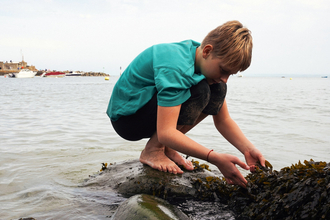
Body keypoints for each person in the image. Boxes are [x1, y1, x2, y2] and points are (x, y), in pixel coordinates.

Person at [107, 20, 265, 188]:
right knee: (201, 90)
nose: (225, 78)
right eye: (224, 70)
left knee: (218, 89)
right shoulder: (176, 66)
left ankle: (164, 147)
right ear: (207, 51)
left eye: (230, 74)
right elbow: (166, 132)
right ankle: (153, 150)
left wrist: (248, 149)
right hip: (128, 119)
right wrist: (214, 158)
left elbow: (223, 121)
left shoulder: (201, 59)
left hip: (149, 114)